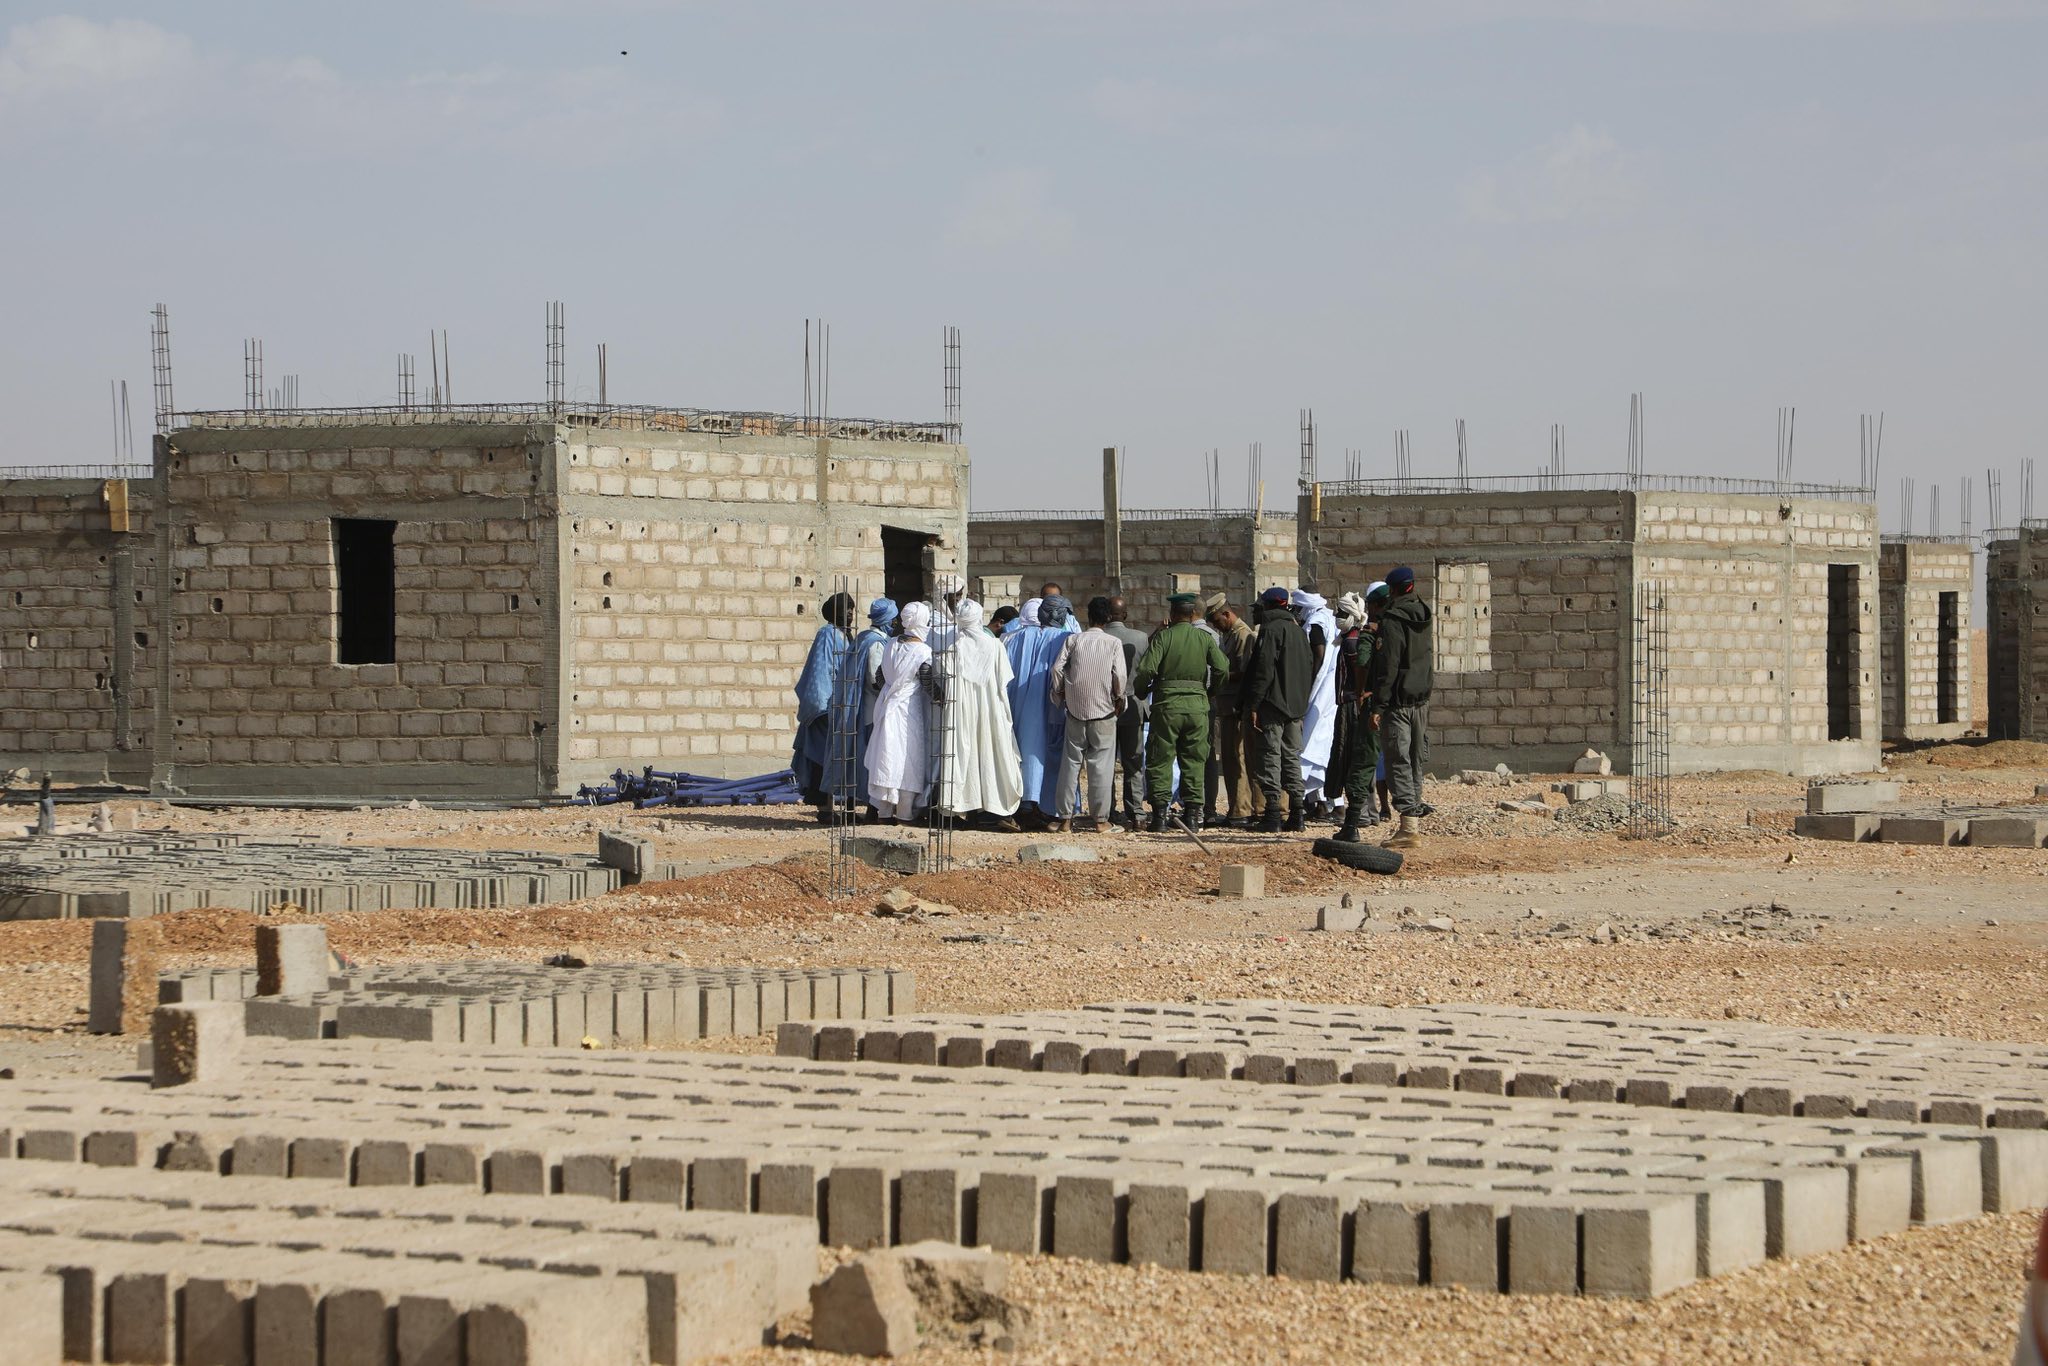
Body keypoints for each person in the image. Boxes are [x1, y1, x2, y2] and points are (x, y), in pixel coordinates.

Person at [1131, 592, 1230, 833]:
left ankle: (1160, 817)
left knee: (1160, 759)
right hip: (1197, 707)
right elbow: (1222, 668)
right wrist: (1210, 692)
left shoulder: (1164, 637)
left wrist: (1142, 692)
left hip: (1167, 707)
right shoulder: (1204, 638)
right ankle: (1194, 816)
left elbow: (1145, 670)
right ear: (1195, 614)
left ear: (1174, 615)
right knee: (1194, 760)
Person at [940, 600, 1024, 830]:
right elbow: (1005, 679)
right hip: (990, 710)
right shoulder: (995, 646)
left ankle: (963, 808)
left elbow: (943, 678)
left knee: (964, 753)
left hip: (961, 710)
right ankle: (994, 809)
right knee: (991, 755)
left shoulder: (951, 647)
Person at [1049, 596, 1129, 833]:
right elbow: (1120, 677)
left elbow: (1056, 669)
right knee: (1101, 767)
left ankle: (1064, 820)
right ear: (1107, 618)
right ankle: (1101, 821)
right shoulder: (1113, 643)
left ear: (1089, 617)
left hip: (1075, 711)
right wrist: (1119, 698)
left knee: (1070, 765)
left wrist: (1060, 692)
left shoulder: (1073, 640)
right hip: (1104, 712)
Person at [1242, 585, 1312, 832]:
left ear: (1269, 606)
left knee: (1270, 755)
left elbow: (1263, 670)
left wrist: (1253, 704)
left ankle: (1273, 814)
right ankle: (1297, 813)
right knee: (1292, 756)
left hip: (1273, 704)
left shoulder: (1270, 630)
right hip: (1295, 706)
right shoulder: (1298, 631)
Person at [865, 601, 942, 823]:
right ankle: (905, 814)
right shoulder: (922, 651)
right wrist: (940, 696)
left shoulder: (890, 644)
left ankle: (885, 812)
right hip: (908, 712)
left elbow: (880, 676)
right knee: (908, 761)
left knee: (887, 757)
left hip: (887, 707)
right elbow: (926, 678)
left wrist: (891, 690)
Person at [1376, 566, 1435, 850]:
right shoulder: (1424, 614)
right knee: (1414, 760)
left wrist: (1379, 704)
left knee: (1397, 760)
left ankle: (1408, 827)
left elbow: (1389, 664)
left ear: (1395, 590)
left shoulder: (1393, 619)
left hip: (1398, 703)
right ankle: (1413, 822)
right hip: (1421, 699)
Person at [1005, 593, 1073, 826]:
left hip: (1018, 707)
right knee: (1051, 754)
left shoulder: (1011, 638)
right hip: (1056, 707)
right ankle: (1048, 807)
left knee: (1022, 749)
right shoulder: (1069, 639)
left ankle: (1022, 803)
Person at [791, 591, 855, 823]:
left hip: (842, 706)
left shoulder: (845, 636)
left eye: (851, 608)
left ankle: (842, 809)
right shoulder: (827, 634)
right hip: (826, 708)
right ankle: (825, 810)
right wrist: (822, 708)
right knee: (822, 758)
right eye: (845, 608)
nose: (849, 613)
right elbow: (820, 672)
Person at [1327, 589, 1381, 843]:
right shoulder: (1351, 639)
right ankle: (1366, 812)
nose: (1338, 616)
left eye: (1341, 613)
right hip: (1351, 704)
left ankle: (1361, 814)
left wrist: (1358, 697)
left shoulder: (1352, 642)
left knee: (1352, 759)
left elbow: (1360, 672)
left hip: (1351, 706)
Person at [1204, 594, 1261, 829]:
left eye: (1217, 621)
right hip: (1228, 707)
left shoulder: (1242, 634)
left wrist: (1218, 675)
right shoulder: (1229, 635)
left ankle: (1242, 809)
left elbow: (1245, 673)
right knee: (1230, 760)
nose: (1216, 626)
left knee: (1238, 760)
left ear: (1227, 614)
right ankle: (1238, 808)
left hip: (1237, 707)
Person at [1103, 597, 1152, 831]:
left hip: (1105, 708)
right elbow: (1147, 671)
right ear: (1125, 615)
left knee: (1106, 762)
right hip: (1133, 704)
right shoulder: (1141, 638)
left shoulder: (1097, 637)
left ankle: (1108, 811)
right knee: (1133, 761)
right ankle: (1136, 812)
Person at [1292, 588, 1340, 822]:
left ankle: (1325, 804)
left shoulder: (1317, 621)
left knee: (1311, 748)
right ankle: (1323, 804)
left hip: (1321, 692)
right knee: (1320, 748)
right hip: (1331, 691)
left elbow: (1318, 654)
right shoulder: (1329, 617)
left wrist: (1307, 685)